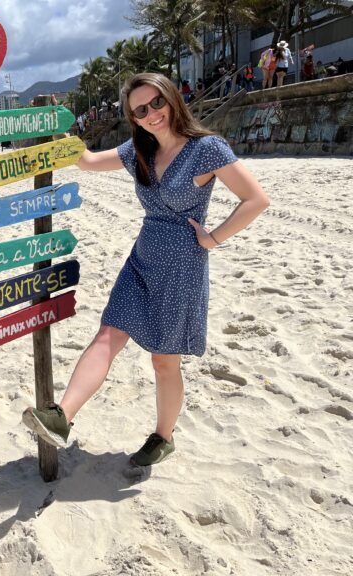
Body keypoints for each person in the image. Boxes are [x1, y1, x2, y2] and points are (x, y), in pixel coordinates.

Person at [21, 73, 270, 466]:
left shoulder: (207, 149)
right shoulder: (138, 151)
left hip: (182, 266)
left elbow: (255, 199)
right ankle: (61, 417)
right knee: (109, 332)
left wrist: (213, 238)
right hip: (143, 256)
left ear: (172, 99)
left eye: (157, 103)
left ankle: (163, 437)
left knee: (164, 360)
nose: (151, 114)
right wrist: (53, 124)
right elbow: (85, 162)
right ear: (133, 118)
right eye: (141, 110)